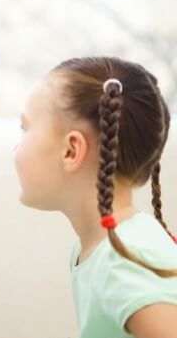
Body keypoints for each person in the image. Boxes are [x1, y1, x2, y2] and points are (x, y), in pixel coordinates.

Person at [14, 56, 177, 338]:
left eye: (25, 128)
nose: (17, 145)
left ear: (71, 150)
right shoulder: (97, 249)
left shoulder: (125, 265)